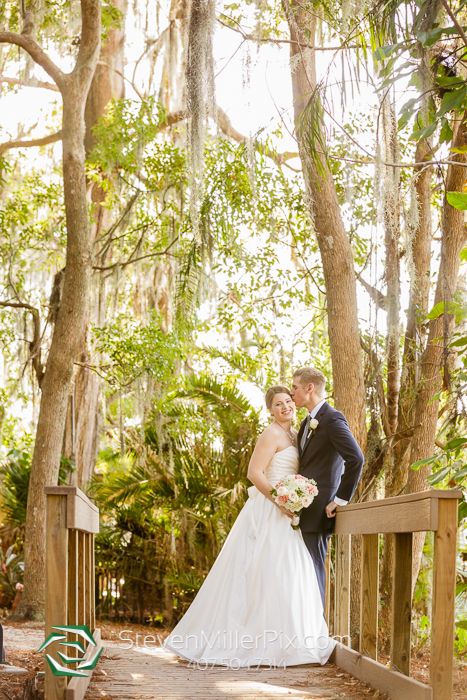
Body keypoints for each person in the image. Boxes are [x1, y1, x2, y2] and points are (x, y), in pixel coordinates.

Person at [163, 386, 336, 668]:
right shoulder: (271, 433)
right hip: (268, 511)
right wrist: (279, 499)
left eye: (288, 402)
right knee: (262, 573)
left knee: (287, 573)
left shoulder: (296, 433)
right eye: (278, 404)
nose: (285, 407)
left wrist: (296, 497)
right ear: (270, 410)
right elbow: (254, 473)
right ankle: (256, 642)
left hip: (287, 512)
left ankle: (289, 641)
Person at [291, 367, 364, 606]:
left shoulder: (332, 418)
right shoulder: (307, 422)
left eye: (295, 387)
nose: (292, 393)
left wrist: (339, 499)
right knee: (301, 574)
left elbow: (356, 459)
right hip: (302, 508)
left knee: (313, 570)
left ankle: (317, 633)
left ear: (309, 388)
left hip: (320, 508)